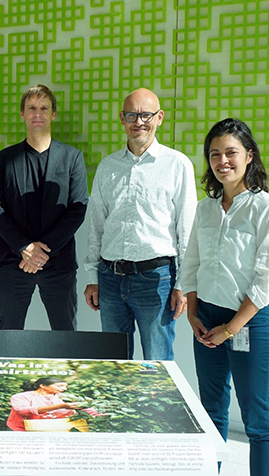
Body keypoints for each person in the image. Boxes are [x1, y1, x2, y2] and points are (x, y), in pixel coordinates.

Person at [181, 118, 269, 476]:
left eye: (231, 153)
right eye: (214, 154)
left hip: (248, 323)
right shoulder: (205, 208)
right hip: (206, 319)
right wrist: (193, 313)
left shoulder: (265, 208)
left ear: (249, 156)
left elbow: (267, 280)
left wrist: (229, 328)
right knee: (210, 412)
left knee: (257, 419)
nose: (222, 161)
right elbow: (192, 262)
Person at [83, 88, 197, 360]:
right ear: (122, 118)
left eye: (146, 115)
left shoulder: (177, 165)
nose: (139, 122)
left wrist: (184, 284)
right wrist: (92, 277)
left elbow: (187, 230)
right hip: (110, 279)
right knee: (112, 364)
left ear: (159, 118)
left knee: (157, 366)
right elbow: (96, 226)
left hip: (156, 280)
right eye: (132, 115)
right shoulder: (107, 166)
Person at [0, 84, 88, 338]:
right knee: (9, 333)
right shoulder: (5, 158)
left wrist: (42, 251)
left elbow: (78, 208)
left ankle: (69, 378)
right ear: (22, 114)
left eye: (44, 108)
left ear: (53, 114)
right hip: (14, 261)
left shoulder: (72, 157)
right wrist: (25, 248)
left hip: (59, 263)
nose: (38, 113)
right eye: (31, 108)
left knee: (65, 334)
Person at [7, 377, 93, 431]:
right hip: (25, 430)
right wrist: (61, 406)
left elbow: (85, 408)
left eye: (65, 386)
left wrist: (102, 413)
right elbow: (22, 410)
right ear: (43, 386)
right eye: (60, 386)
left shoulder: (66, 397)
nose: (64, 389)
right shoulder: (21, 397)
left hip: (58, 429)